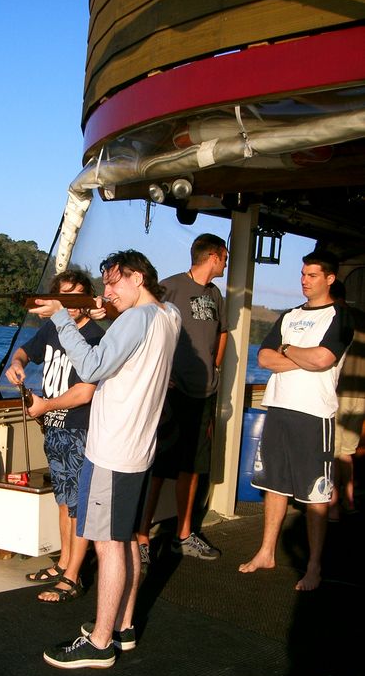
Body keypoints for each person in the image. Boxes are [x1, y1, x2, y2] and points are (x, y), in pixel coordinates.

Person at [30, 250, 181, 668]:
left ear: (138, 278)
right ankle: (125, 626)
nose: (108, 291)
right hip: (138, 447)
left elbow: (94, 365)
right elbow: (132, 346)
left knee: (108, 544)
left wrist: (63, 317)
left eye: (114, 283)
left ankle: (99, 642)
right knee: (128, 536)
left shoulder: (135, 318)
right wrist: (107, 313)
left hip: (112, 448)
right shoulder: (168, 315)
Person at [239, 250, 354, 590]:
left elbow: (323, 359)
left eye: (312, 275)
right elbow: (263, 356)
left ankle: (314, 566)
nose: (305, 280)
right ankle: (266, 552)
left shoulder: (340, 315)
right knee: (274, 485)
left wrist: (287, 350)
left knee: (314, 494)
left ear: (329, 278)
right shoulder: (289, 315)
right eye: (303, 274)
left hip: (313, 413)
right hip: (278, 407)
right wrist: (297, 355)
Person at [5, 270, 104, 602]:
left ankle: (73, 577)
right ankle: (64, 563)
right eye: (65, 296)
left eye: (77, 296)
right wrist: (16, 365)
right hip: (55, 429)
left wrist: (46, 405)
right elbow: (23, 352)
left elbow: (85, 393)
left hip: (80, 429)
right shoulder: (50, 328)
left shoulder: (96, 337)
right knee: (63, 501)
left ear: (89, 297)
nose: (71, 304)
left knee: (78, 506)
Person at [137, 233, 228, 565]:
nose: (226, 262)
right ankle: (142, 537)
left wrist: (214, 367)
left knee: (193, 466)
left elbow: (223, 334)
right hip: (173, 393)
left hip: (205, 393)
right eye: (225, 256)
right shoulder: (172, 286)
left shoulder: (216, 294)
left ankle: (183, 535)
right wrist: (163, 371)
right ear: (214, 257)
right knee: (160, 466)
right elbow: (149, 329)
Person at [328, 279, 365, 520]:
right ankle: (349, 500)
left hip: (337, 391)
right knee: (348, 450)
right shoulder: (362, 317)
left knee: (331, 450)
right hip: (361, 394)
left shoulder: (334, 317)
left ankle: (332, 503)